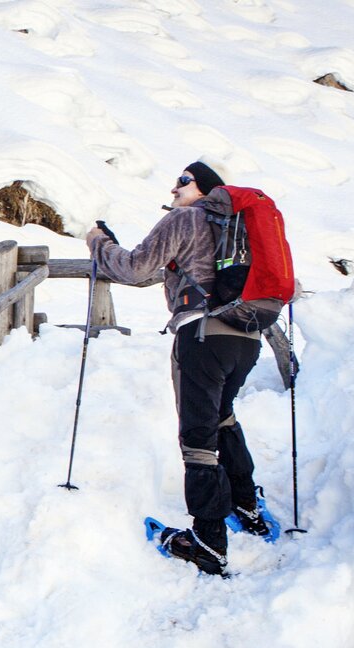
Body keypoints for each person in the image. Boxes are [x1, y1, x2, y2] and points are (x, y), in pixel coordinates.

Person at [87, 161, 278, 576]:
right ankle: (246, 505)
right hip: (246, 337)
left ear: (203, 188)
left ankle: (209, 540)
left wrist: (99, 244)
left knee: (197, 436)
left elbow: (135, 266)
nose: (174, 188)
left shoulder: (187, 218)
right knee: (222, 417)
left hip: (202, 335)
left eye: (183, 181)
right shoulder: (242, 226)